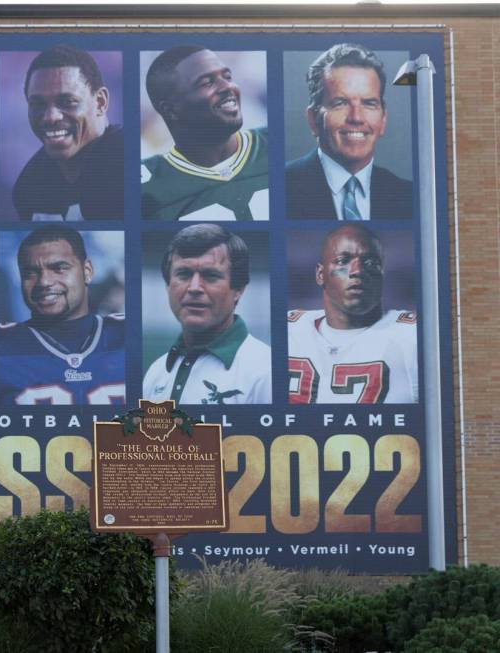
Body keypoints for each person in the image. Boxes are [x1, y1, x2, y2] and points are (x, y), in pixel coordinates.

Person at [288, 224, 417, 404]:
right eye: (342, 261)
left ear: (382, 273)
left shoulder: (413, 336)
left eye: (371, 263)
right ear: (320, 274)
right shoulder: (289, 329)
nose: (357, 271)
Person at [143, 224, 271, 404]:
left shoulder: (266, 370)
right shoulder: (156, 373)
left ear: (238, 290)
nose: (194, 288)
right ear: (167, 286)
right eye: (184, 274)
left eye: (210, 276)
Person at [0, 226, 125, 404]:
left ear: (87, 271)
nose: (44, 282)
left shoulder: (126, 333)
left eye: (59, 268)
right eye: (30, 273)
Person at [285, 43, 413, 220]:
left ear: (383, 119)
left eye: (369, 103)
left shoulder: (409, 196)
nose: (356, 117)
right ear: (313, 119)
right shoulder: (281, 187)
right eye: (340, 103)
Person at [141, 46, 269, 221]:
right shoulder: (146, 185)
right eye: (207, 82)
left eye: (227, 76)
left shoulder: (273, 144)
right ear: (170, 109)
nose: (228, 86)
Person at [12, 45, 123, 221]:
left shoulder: (132, 167)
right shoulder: (30, 185)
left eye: (67, 102)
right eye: (37, 104)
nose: (50, 117)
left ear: (100, 102)